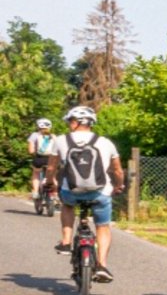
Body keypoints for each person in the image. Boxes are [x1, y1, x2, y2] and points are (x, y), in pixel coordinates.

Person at [45, 107, 126, 282]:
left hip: (71, 192)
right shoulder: (105, 142)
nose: (68, 125)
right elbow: (118, 171)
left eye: (69, 122)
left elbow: (51, 168)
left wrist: (50, 182)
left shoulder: (60, 141)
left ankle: (66, 242)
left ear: (75, 122)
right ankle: (102, 265)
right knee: (102, 227)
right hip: (100, 192)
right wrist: (118, 186)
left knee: (67, 205)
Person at [27, 118, 56, 199]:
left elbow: (31, 151)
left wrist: (35, 153)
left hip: (39, 159)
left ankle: (35, 192)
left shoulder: (34, 135)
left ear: (38, 126)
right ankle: (55, 194)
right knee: (53, 176)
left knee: (36, 173)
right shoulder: (53, 136)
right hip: (51, 160)